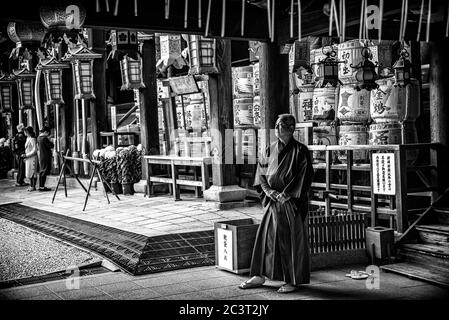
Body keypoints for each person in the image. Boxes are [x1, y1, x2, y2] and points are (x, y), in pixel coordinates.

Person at [239, 114, 314, 293]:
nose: (281, 128)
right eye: (279, 125)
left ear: (292, 128)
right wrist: (269, 191)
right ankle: (259, 274)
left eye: (285, 125)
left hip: (291, 203)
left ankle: (292, 280)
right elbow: (261, 175)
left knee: (290, 241)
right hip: (273, 201)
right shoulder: (269, 149)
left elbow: (305, 176)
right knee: (265, 239)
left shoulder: (301, 150)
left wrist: (287, 194)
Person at [37, 126, 54, 192]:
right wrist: (50, 140)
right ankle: (42, 187)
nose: (48, 135)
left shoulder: (39, 138)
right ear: (46, 132)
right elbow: (51, 145)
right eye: (48, 133)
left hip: (41, 156)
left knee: (42, 171)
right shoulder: (44, 138)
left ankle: (41, 186)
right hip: (46, 156)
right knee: (44, 171)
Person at [22, 126, 38, 191]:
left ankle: (33, 186)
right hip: (28, 158)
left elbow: (35, 150)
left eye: (25, 131)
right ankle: (31, 185)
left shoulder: (32, 139)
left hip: (32, 157)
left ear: (28, 132)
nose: (24, 133)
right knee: (29, 172)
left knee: (33, 172)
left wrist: (26, 155)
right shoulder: (28, 138)